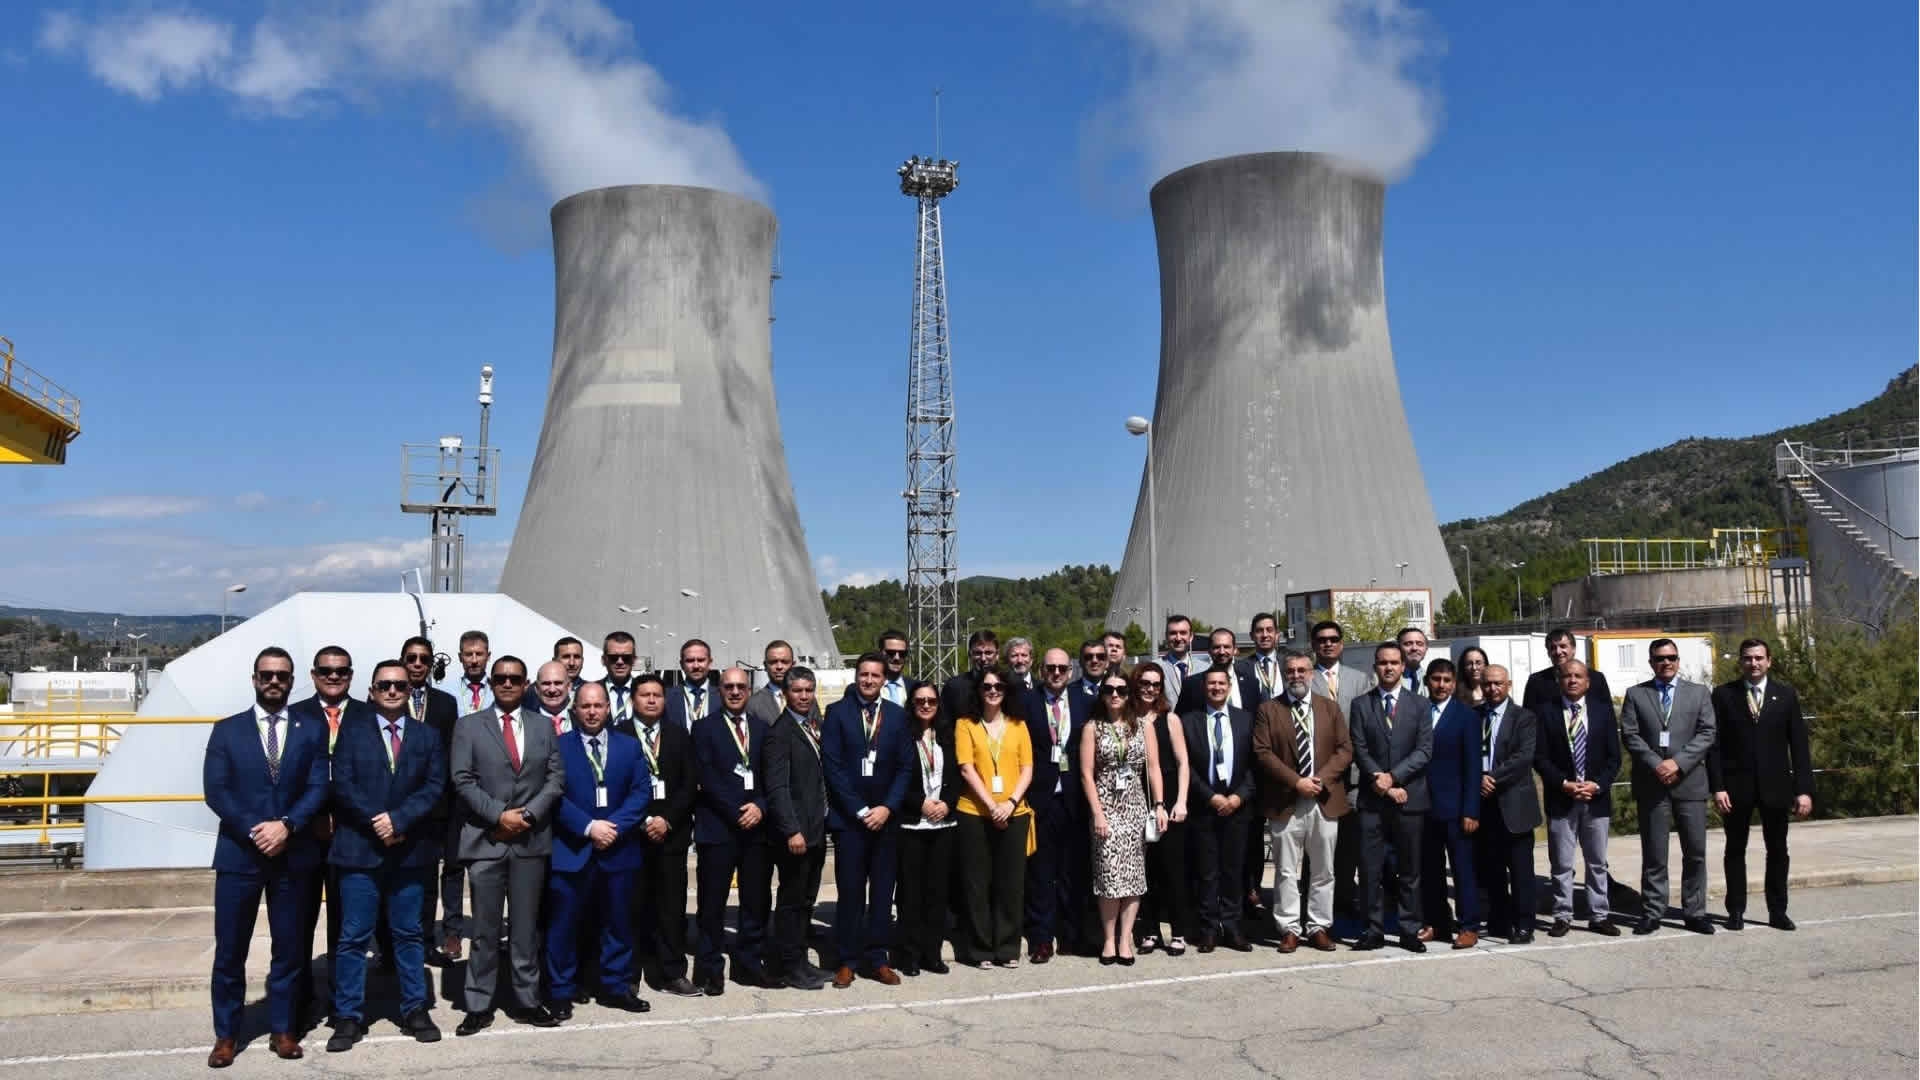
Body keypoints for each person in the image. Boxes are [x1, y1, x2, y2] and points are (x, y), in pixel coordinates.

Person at [203, 646, 330, 1068]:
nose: (274, 681)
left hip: (294, 855)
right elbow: (217, 791)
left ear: (292, 681)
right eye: (266, 675)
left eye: (281, 675)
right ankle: (227, 1034)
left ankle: (283, 1029)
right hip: (241, 855)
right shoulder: (227, 731)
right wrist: (258, 830)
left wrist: (288, 825)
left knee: (290, 949)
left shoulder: (310, 729)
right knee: (230, 951)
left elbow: (317, 787)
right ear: (255, 679)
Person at [324, 659, 446, 1052]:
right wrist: (377, 821)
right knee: (353, 936)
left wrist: (399, 819)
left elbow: (433, 786)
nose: (393, 691)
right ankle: (348, 1015)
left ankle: (414, 1009)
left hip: (408, 850)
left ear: (409, 691)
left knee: (408, 933)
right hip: (361, 850)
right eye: (384, 685)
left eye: (399, 685)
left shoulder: (427, 736)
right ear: (372, 691)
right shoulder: (351, 733)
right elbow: (342, 783)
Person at [450, 656, 566, 1035]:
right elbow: (463, 780)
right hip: (486, 840)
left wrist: (528, 815)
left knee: (525, 929)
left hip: (530, 843)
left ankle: (527, 1000)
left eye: (514, 679)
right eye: (499, 678)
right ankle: (478, 1004)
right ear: (491, 681)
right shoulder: (469, 726)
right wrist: (500, 815)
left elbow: (555, 777)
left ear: (526, 683)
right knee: (484, 931)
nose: (506, 684)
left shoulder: (543, 726)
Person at [543, 682, 652, 1018]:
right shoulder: (557, 747)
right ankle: (561, 990)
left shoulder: (629, 747)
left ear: (608, 708)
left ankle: (616, 987)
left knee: (618, 923)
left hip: (618, 850)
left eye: (598, 705)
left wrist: (612, 827)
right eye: (585, 706)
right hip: (572, 850)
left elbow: (641, 793)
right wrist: (589, 827)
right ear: (574, 709)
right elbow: (553, 796)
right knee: (563, 926)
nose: (592, 712)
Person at [287, 645, 366, 1031]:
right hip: (305, 835)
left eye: (341, 671)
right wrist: (313, 816)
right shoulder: (296, 716)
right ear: (314, 674)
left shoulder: (368, 716)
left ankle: (342, 1002)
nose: (334, 677)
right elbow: (287, 776)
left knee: (345, 924)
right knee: (299, 922)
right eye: (326, 671)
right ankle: (300, 1000)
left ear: (351, 675)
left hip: (351, 835)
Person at [1709, 639, 1812, 931]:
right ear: (1740, 662)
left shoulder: (1786, 695)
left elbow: (1799, 745)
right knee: (1735, 850)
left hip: (1776, 788)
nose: (1753, 664)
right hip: (1735, 788)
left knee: (1778, 850)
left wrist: (1803, 789)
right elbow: (1714, 746)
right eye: (1747, 658)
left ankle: (1778, 911)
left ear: (1769, 661)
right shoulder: (1723, 695)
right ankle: (1736, 911)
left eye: (1758, 658)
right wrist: (1718, 787)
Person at [821, 654, 911, 986]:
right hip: (850, 821)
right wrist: (859, 810)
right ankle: (846, 959)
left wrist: (887, 807)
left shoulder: (898, 717)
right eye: (863, 674)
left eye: (875, 675)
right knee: (850, 892)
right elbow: (833, 767)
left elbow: (905, 767)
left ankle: (877, 958)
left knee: (883, 892)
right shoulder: (837, 713)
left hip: (886, 821)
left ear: (884, 680)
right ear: (856, 676)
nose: (869, 680)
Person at [1254, 650, 1350, 953]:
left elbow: (1345, 749)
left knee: (1323, 870)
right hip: (1286, 801)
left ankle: (1319, 926)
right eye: (1290, 671)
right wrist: (1296, 781)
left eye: (1302, 670)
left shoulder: (1329, 708)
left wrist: (1319, 779)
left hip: (1323, 798)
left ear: (1312, 674)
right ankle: (1289, 928)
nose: (1296, 675)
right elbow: (1262, 752)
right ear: (1284, 674)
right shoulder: (1269, 709)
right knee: (1284, 870)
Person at [1621, 638, 1718, 935]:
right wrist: (1656, 763)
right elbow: (1630, 734)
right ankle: (1652, 911)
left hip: (1689, 782)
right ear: (1651, 662)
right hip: (1653, 784)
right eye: (1660, 658)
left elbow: (1707, 732)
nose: (1666, 662)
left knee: (1696, 851)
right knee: (1654, 851)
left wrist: (1678, 763)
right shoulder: (1637, 694)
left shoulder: (1699, 693)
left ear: (1678, 660)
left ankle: (1694, 911)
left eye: (1672, 657)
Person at [690, 668, 773, 994]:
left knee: (755, 900)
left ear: (749, 690)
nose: (735, 692)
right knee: (712, 903)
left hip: (756, 829)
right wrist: (735, 810)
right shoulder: (703, 728)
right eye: (729, 687)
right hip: (718, 826)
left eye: (741, 686)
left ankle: (749, 963)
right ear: (719, 690)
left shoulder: (763, 729)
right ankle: (709, 967)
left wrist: (761, 807)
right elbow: (705, 776)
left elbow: (772, 775)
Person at [1349, 642, 1432, 953]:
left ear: (1402, 666)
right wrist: (1380, 782)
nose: (1389, 667)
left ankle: (1409, 929)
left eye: (1394, 662)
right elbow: (1359, 748)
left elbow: (1424, 750)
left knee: (1409, 870)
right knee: (1370, 869)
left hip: (1409, 798)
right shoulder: (1361, 705)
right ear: (1375, 666)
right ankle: (1373, 930)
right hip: (1372, 800)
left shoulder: (1420, 705)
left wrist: (1394, 778)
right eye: (1383, 662)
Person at [1082, 667, 1166, 966]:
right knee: (1107, 876)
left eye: (1120, 690)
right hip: (1105, 808)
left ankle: (1125, 938)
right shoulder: (1093, 727)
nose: (1115, 695)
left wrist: (1159, 804)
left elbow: (1154, 768)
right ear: (1102, 695)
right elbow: (1086, 775)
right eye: (1109, 690)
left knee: (1132, 877)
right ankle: (1108, 939)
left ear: (1128, 695)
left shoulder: (1143, 727)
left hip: (1135, 808)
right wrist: (1098, 814)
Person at [954, 666, 1035, 967]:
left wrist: (1010, 803)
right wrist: (991, 806)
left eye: (998, 687)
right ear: (978, 690)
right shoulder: (966, 724)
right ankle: (980, 949)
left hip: (1014, 811)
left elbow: (1027, 767)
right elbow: (966, 767)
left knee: (1010, 883)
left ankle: (1007, 948)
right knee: (977, 883)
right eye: (987, 686)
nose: (992, 691)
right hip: (974, 812)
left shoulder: (1018, 724)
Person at [1534, 660, 1621, 937]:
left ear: (1588, 682)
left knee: (1597, 861)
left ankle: (1599, 914)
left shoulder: (1603, 712)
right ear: (1560, 680)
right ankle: (1562, 915)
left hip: (1596, 799)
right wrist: (1564, 784)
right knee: (1562, 863)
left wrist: (1597, 785)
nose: (1572, 680)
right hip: (1562, 798)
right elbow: (1540, 757)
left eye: (1578, 676)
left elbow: (1614, 758)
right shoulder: (1545, 713)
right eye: (1567, 676)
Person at [628, 673, 701, 997]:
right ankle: (628, 975)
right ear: (634, 699)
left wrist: (667, 819)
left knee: (671, 908)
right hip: (632, 836)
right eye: (645, 694)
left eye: (657, 694)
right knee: (630, 908)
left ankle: (671, 972)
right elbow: (616, 788)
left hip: (671, 836)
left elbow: (689, 784)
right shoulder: (619, 735)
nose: (652, 700)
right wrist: (643, 820)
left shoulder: (679, 735)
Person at [764, 667, 831, 990]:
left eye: (808, 690)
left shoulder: (813, 726)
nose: (804, 696)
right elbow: (777, 788)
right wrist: (791, 830)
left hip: (817, 830)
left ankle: (801, 960)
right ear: (786, 694)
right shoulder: (781, 732)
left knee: (806, 900)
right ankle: (789, 965)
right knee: (791, 902)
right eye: (797, 691)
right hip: (797, 835)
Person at [400, 636, 464, 966]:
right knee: (418, 875)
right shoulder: (391, 698)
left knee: (452, 869)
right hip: (406, 806)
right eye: (411, 658)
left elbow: (452, 751)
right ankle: (416, 938)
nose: (417, 664)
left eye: (423, 659)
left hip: (443, 803)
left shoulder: (445, 703)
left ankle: (451, 931)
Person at [1183, 667, 1256, 952]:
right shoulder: (1189, 721)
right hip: (1204, 806)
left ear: (1229, 686)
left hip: (1238, 808)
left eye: (1221, 683)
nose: (1216, 688)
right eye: (1211, 683)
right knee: (1207, 872)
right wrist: (1209, 796)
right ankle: (1209, 929)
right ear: (1204, 687)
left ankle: (1234, 927)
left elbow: (1255, 764)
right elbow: (1185, 765)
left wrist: (1239, 797)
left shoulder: (1245, 719)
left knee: (1233, 870)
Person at [1024, 647, 1089, 962]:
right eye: (1050, 668)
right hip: (1040, 798)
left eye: (1062, 668)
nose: (1056, 673)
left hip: (1075, 799)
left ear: (1070, 671)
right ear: (1041, 670)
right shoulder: (1026, 703)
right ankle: (1041, 938)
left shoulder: (1083, 701)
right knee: (1041, 872)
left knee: (1072, 871)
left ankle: (1071, 934)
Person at [1415, 659, 1481, 949]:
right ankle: (1438, 923)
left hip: (1455, 809)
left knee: (1463, 869)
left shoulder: (1466, 716)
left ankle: (1468, 926)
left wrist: (1471, 809)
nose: (1441, 685)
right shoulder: (1416, 711)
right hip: (1421, 807)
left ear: (1454, 683)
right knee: (1430, 870)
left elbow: (1473, 767)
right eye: (1436, 679)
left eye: (1446, 680)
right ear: (1427, 680)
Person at [1473, 665, 1541, 944]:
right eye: (1487, 684)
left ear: (1509, 684)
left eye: (1498, 683)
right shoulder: (1473, 715)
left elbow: (1523, 757)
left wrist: (1492, 778)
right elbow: (1465, 752)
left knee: (1521, 869)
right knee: (1492, 868)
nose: (1492, 689)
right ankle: (1498, 920)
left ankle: (1524, 924)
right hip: (1483, 804)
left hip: (1514, 803)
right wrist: (1477, 777)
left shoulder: (1524, 717)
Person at [896, 684, 959, 975]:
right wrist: (920, 803)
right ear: (912, 704)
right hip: (912, 823)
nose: (925, 705)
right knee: (911, 894)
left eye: (931, 700)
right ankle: (908, 953)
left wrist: (946, 803)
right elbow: (896, 776)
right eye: (920, 700)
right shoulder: (903, 736)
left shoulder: (947, 736)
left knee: (937, 893)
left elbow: (957, 776)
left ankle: (931, 953)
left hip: (943, 823)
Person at [1135, 664, 1194, 955]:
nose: (1149, 689)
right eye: (1145, 683)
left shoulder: (1169, 719)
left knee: (1173, 870)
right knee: (1145, 871)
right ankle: (1150, 930)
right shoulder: (1127, 719)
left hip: (1168, 799)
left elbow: (1183, 762)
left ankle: (1179, 932)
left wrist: (1181, 801)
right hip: (1136, 798)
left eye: (1155, 684)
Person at [1238, 613, 1284, 922]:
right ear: (1253, 635)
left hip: (1285, 756)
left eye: (1269, 630)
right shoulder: (1242, 667)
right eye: (1259, 631)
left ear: (1278, 634)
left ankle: (1287, 892)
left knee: (1286, 827)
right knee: (1253, 830)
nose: (1265, 635)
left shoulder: (1293, 663)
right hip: (1253, 755)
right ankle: (1251, 888)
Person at [1522, 628, 1613, 713]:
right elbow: (1527, 718)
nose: (1558, 651)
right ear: (1548, 652)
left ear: (1573, 649)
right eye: (1553, 648)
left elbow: (1607, 715)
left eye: (1563, 646)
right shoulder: (1536, 681)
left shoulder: (1596, 679)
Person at [1176, 627, 1259, 713]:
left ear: (1234, 650)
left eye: (1226, 647)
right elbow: (1181, 719)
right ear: (1209, 650)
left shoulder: (1251, 684)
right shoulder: (1191, 684)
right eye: (1216, 647)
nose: (1222, 652)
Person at [748, 640, 818, 726]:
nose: (779, 667)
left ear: (793, 665)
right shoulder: (753, 704)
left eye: (784, 662)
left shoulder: (809, 699)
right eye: (773, 662)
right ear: (765, 666)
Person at [942, 630, 999, 721]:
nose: (983, 658)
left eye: (988, 653)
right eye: (978, 653)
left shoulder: (1009, 685)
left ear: (997, 655)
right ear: (969, 655)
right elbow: (945, 725)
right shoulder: (954, 687)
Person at [667, 639, 720, 731]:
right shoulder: (667, 697)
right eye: (690, 661)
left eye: (701, 660)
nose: (696, 666)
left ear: (710, 662)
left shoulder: (722, 697)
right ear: (682, 664)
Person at [599, 632, 642, 733]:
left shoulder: (645, 691)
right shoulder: (592, 690)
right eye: (613, 657)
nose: (620, 662)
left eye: (626, 658)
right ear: (604, 660)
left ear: (634, 660)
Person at [443, 630, 494, 714]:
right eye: (468, 654)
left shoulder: (498, 690)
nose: (474, 661)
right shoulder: (447, 691)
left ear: (488, 656)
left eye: (479, 654)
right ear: (460, 657)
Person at [876, 629, 923, 707]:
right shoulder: (869, 686)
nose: (897, 658)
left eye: (902, 654)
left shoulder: (916, 687)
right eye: (891, 653)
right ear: (879, 653)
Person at [1157, 613, 1199, 691]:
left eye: (1183, 633)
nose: (1178, 638)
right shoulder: (1156, 668)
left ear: (1191, 636)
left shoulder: (1206, 668)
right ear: (1166, 637)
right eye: (1173, 633)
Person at [533, 661, 574, 737]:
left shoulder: (582, 720)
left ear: (569, 687)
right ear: (537, 688)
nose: (552, 690)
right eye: (546, 683)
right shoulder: (525, 722)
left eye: (558, 683)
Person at [1394, 628, 1430, 696]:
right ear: (1398, 648)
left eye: (1419, 644)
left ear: (1426, 648)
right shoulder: (1381, 679)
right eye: (1408, 644)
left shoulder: (1432, 678)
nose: (1414, 648)